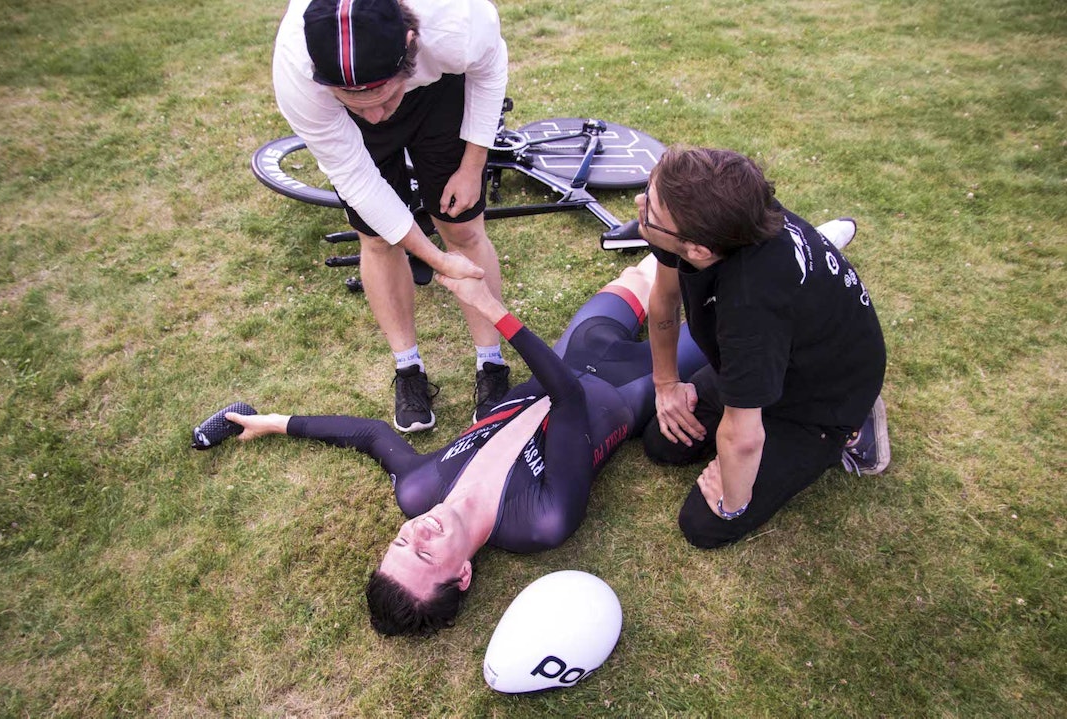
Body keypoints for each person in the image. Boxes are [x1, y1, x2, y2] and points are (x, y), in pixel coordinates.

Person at [204, 255, 708, 635]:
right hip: (641, 381)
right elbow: (569, 399)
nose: (418, 532)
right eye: (425, 556)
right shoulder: (540, 521)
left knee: (648, 268)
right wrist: (494, 310)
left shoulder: (421, 490)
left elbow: (372, 435)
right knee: (713, 296)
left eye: (402, 542)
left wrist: (273, 422)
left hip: (576, 346)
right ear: (462, 575)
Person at [272, 0, 512, 432]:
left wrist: (473, 164)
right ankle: (408, 369)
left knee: (462, 227)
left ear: (411, 43)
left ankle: (491, 363)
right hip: (359, 98)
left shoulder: (456, 22)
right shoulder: (296, 69)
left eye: (384, 99)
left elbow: (490, 69)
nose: (377, 117)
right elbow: (358, 180)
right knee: (377, 238)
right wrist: (435, 260)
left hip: (437, 94)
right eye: (357, 103)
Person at [636, 146, 890, 549]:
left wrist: (734, 502)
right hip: (781, 358)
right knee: (662, 442)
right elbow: (664, 299)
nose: (640, 205)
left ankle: (856, 425)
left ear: (699, 250)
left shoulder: (750, 306)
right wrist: (666, 384)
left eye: (649, 206)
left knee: (705, 524)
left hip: (820, 399)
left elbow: (743, 437)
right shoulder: (719, 216)